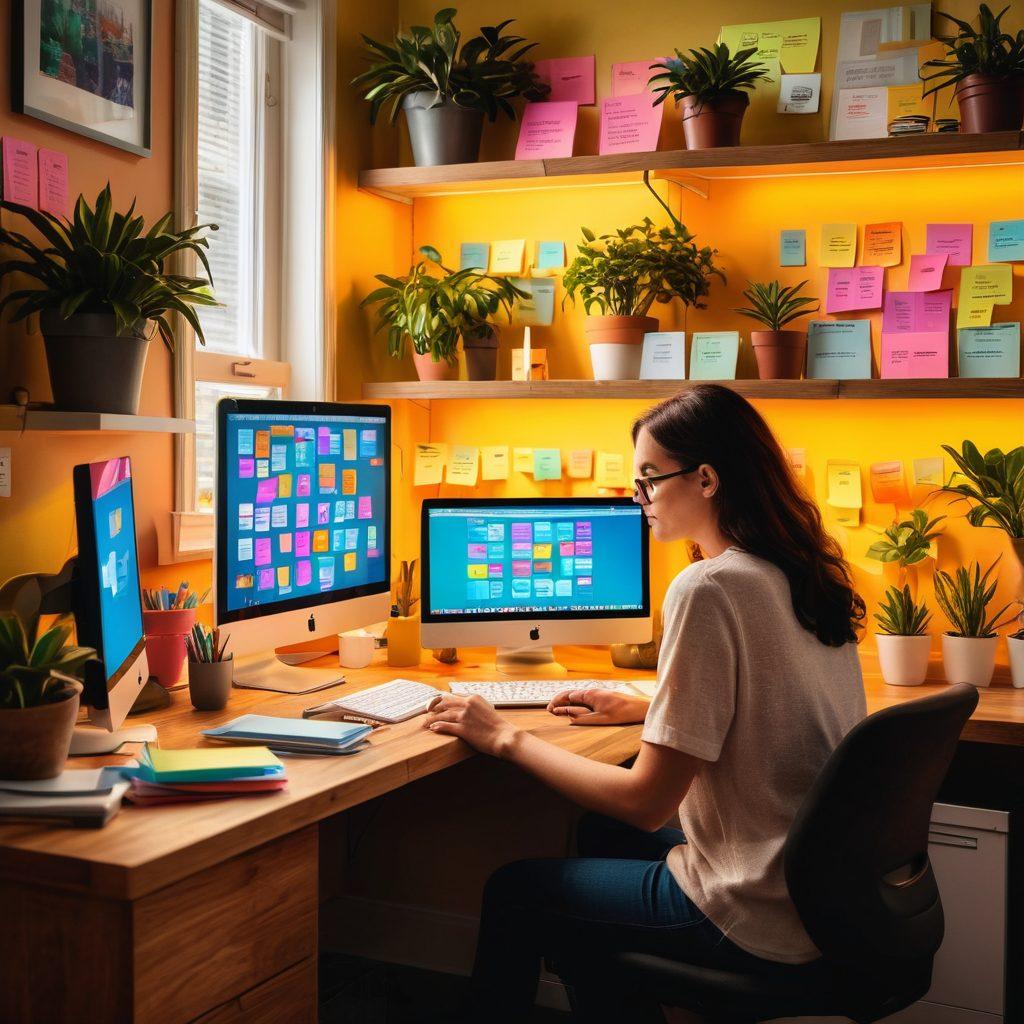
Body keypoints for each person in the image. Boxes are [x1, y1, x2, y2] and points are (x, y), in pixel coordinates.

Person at [424, 384, 867, 1022]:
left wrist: (505, 738)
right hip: (813, 894)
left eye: (649, 482)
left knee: (516, 891)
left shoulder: (708, 586)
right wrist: (651, 707)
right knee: (595, 834)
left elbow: (645, 802)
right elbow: (774, 701)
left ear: (707, 478)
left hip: (750, 905)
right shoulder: (796, 571)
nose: (641, 502)